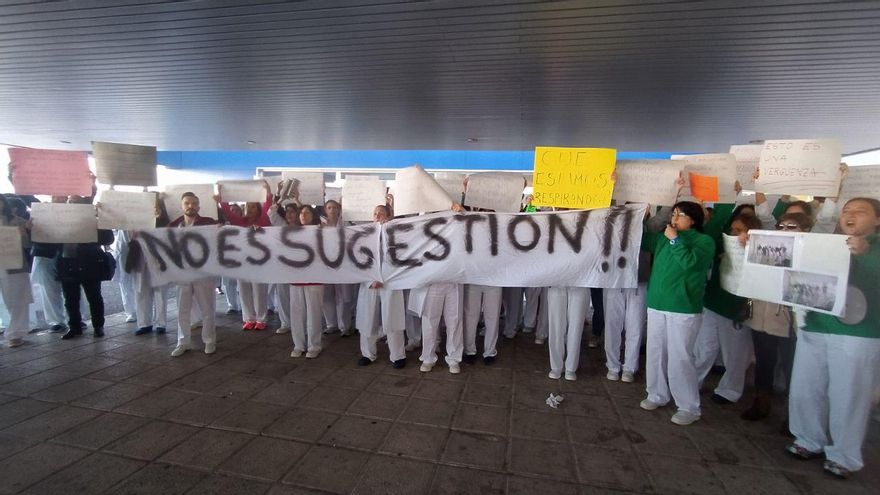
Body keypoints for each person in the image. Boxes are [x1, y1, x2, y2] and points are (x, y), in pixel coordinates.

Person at [786, 197, 880, 479]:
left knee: (848, 394)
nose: (850, 216)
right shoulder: (827, 244)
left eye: (859, 212)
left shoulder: (872, 249)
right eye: (846, 211)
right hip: (816, 324)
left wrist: (865, 255)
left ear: (877, 220)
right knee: (805, 386)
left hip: (858, 332)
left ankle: (844, 456)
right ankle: (807, 439)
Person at [639, 200, 715, 426]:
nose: (674, 219)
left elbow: (690, 263)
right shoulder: (663, 237)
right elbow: (642, 241)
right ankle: (657, 393)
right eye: (673, 214)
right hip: (657, 303)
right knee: (655, 351)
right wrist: (641, 217)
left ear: (693, 219)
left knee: (680, 356)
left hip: (683, 308)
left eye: (679, 215)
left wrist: (674, 240)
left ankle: (689, 406)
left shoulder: (704, 241)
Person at [741, 212, 811, 422]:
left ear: (806, 231)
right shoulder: (767, 248)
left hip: (790, 320)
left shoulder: (811, 253)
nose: (784, 231)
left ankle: (794, 416)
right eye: (781, 227)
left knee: (792, 367)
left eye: (792, 227)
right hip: (762, 315)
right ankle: (761, 403)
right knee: (764, 362)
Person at [694, 210, 761, 404]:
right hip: (713, 303)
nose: (734, 233)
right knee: (703, 348)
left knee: (734, 355)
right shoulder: (721, 246)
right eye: (732, 229)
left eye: (739, 230)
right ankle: (693, 382)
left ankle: (729, 390)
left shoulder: (757, 253)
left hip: (735, 310)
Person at [57, 195, 114, 340]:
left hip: (90, 263)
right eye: (70, 202)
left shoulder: (94, 221)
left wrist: (101, 221)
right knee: (70, 299)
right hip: (68, 263)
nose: (72, 205)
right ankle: (74, 327)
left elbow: (108, 239)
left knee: (94, 297)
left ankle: (98, 326)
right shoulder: (59, 220)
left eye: (76, 202)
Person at [168, 192, 218, 356]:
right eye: (187, 203)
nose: (191, 206)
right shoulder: (173, 226)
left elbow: (225, 232)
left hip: (203, 271)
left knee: (207, 308)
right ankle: (183, 342)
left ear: (199, 206)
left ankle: (209, 340)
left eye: (194, 203)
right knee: (183, 309)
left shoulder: (209, 223)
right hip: (182, 272)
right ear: (181, 206)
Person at [356, 205, 407, 368]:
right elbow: (357, 260)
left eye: (381, 213)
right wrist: (370, 279)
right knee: (367, 318)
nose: (378, 216)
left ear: (389, 216)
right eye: (375, 214)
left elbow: (401, 258)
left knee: (393, 319)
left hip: (391, 282)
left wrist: (385, 277)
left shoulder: (397, 235)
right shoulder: (364, 235)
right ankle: (367, 354)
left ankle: (398, 355)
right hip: (369, 283)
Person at [217, 182, 272, 330]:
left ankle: (261, 319)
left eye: (253, 206)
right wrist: (222, 193)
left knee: (259, 290)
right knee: (244, 289)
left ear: (258, 208)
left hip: (260, 261)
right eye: (248, 206)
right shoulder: (240, 222)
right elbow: (227, 211)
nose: (250, 209)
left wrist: (268, 191)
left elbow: (267, 205)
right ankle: (248, 318)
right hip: (242, 262)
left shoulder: (263, 220)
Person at [29, 195, 70, 333]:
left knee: (72, 287)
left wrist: (93, 187)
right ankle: (56, 321)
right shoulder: (41, 210)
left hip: (68, 253)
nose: (60, 198)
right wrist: (13, 177)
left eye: (63, 196)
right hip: (45, 254)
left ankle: (76, 318)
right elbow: (24, 195)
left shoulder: (74, 211)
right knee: (49, 289)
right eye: (57, 196)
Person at [289, 205, 325, 358]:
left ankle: (314, 345)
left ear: (313, 215)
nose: (304, 215)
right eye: (301, 212)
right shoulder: (290, 232)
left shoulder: (321, 230)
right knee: (296, 312)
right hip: (296, 277)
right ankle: (298, 344)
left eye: (307, 212)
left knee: (314, 312)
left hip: (315, 277)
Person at [0, 196, 32, 347]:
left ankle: (16, 334)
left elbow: (27, 245)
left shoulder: (17, 220)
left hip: (14, 264)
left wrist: (24, 232)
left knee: (18, 299)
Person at [320, 199, 355, 336]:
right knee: (327, 296)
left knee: (343, 296)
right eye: (329, 207)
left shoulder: (346, 224)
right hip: (326, 264)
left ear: (339, 209)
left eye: (335, 207)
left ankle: (344, 326)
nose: (332, 210)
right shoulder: (320, 225)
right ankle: (331, 324)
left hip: (343, 264)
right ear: (325, 209)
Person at [268, 200, 299, 334]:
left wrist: (298, 200)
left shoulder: (305, 227)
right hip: (282, 265)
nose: (290, 214)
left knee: (297, 297)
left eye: (293, 212)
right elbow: (271, 213)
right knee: (282, 295)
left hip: (299, 266)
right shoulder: (280, 225)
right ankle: (285, 322)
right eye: (287, 212)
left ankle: (299, 322)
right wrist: (280, 199)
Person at [546, 285, 589, 381]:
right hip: (556, 282)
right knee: (556, 325)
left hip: (580, 281)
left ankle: (571, 367)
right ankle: (556, 366)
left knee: (576, 326)